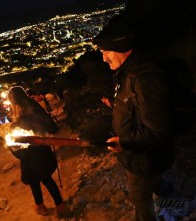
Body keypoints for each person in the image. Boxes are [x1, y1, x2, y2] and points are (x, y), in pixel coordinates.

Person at [93, 17, 175, 221]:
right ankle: (170, 196)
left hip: (144, 157)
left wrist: (124, 142)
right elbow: (138, 106)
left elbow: (158, 131)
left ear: (119, 46)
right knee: (153, 183)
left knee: (140, 198)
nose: (103, 58)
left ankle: (168, 203)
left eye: (105, 52)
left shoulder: (144, 77)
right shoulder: (129, 70)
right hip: (140, 156)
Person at [7, 86, 69, 218]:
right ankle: (60, 206)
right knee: (47, 179)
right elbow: (50, 125)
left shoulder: (17, 118)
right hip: (42, 149)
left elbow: (16, 144)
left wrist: (17, 152)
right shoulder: (34, 106)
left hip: (30, 155)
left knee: (34, 182)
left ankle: (41, 206)